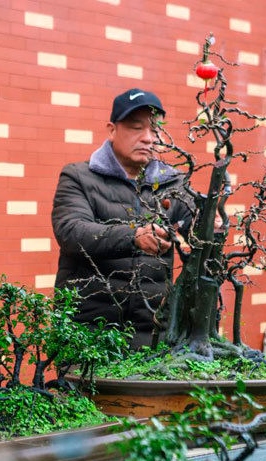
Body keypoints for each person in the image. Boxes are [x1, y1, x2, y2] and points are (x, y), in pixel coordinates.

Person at [52, 88, 194, 349]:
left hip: (153, 334)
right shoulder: (78, 177)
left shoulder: (175, 184)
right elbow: (72, 232)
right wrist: (133, 237)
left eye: (155, 130)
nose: (148, 138)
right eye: (136, 128)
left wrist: (214, 223)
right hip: (87, 333)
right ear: (112, 129)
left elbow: (195, 236)